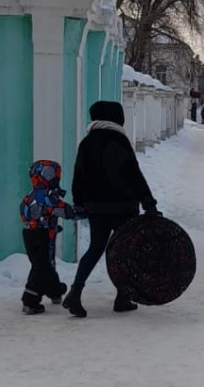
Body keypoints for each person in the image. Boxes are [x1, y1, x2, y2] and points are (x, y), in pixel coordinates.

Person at [65, 100, 160, 318]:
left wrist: (80, 202)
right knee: (124, 252)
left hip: (96, 207)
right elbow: (133, 175)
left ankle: (75, 292)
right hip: (123, 207)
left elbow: (78, 175)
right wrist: (149, 203)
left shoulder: (87, 142)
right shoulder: (119, 141)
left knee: (95, 248)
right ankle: (122, 297)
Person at [20, 159, 83, 315]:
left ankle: (55, 290)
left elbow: (27, 214)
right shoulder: (47, 197)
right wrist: (86, 211)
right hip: (43, 235)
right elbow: (66, 211)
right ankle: (30, 300)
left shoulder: (29, 196)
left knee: (42, 264)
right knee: (41, 266)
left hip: (28, 234)